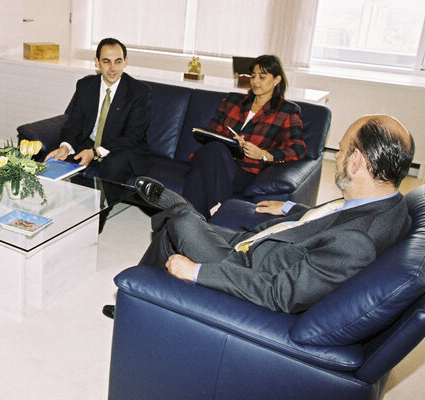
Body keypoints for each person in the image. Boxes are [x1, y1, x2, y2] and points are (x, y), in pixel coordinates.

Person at [103, 114, 414, 317]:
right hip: (264, 245)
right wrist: (293, 209)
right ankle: (134, 302)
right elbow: (336, 219)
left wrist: (196, 272)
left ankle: (173, 207)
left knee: (180, 218)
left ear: (357, 161)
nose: (338, 155)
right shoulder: (385, 204)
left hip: (247, 267)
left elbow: (280, 294)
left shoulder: (357, 242)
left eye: (342, 149)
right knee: (174, 229)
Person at [183, 55, 306, 219]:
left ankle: (185, 220)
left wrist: (263, 154)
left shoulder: (287, 110)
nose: (255, 81)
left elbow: (298, 149)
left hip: (245, 170)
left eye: (262, 77)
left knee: (199, 173)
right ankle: (218, 214)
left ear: (277, 80)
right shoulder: (234, 100)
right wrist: (231, 143)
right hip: (215, 157)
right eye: (253, 76)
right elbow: (212, 131)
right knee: (215, 149)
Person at [45, 37, 151, 184]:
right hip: (90, 143)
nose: (113, 68)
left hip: (122, 147)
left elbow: (133, 136)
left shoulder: (139, 92)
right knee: (52, 155)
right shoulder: (85, 86)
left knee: (114, 165)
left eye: (118, 61)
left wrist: (95, 152)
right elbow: (74, 123)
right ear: (97, 62)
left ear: (126, 61)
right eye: (106, 61)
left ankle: (102, 205)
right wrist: (65, 147)